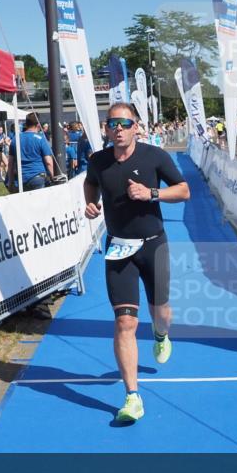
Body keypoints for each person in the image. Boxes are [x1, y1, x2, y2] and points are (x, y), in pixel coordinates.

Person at [83, 103, 191, 423]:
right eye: (112, 123)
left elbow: (184, 190)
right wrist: (90, 202)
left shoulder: (154, 156)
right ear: (106, 128)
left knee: (160, 312)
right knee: (125, 323)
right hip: (119, 249)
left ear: (135, 127)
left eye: (124, 123)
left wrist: (152, 193)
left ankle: (160, 335)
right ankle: (132, 397)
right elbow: (90, 183)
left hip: (153, 246)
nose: (118, 128)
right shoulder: (98, 161)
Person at [8, 112, 54, 192]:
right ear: (38, 125)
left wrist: (10, 182)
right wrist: (53, 177)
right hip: (38, 177)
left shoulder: (16, 139)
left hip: (21, 178)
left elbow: (10, 163)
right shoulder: (41, 139)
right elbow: (48, 162)